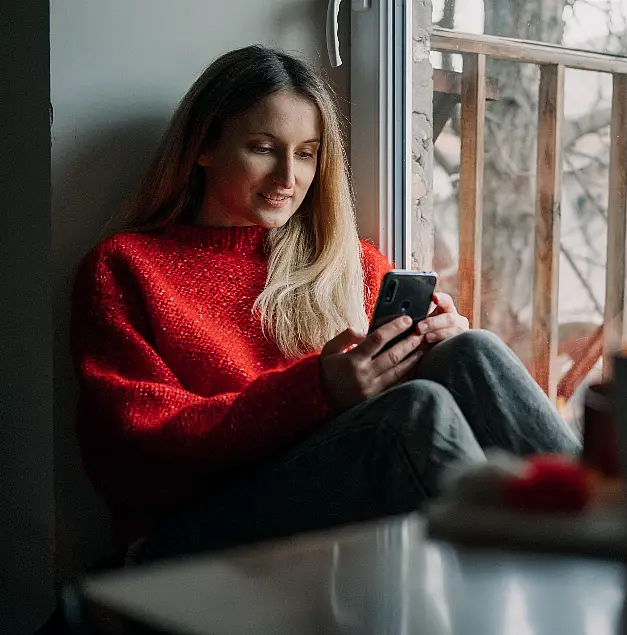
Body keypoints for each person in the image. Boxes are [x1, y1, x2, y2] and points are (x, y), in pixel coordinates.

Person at [70, 45, 580, 565]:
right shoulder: (125, 266)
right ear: (204, 145)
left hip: (325, 497)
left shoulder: (350, 264)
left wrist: (426, 346)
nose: (287, 177)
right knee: (409, 416)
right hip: (187, 531)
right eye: (264, 147)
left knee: (470, 351)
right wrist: (318, 390)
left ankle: (616, 538)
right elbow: (135, 449)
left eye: (307, 153)